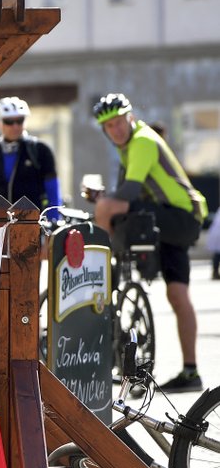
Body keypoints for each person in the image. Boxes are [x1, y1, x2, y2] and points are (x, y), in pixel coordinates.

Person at [91, 93, 207, 391]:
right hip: (176, 221)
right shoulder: (128, 147)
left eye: (118, 122)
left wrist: (103, 202)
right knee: (178, 295)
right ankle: (191, 373)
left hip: (178, 215)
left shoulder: (142, 140)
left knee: (105, 208)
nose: (115, 130)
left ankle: (102, 273)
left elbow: (128, 194)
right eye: (108, 126)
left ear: (130, 118)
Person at [0, 97, 60, 211]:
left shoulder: (40, 150)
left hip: (33, 222)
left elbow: (52, 188)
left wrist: (53, 219)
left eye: (20, 120)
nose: (15, 126)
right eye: (9, 122)